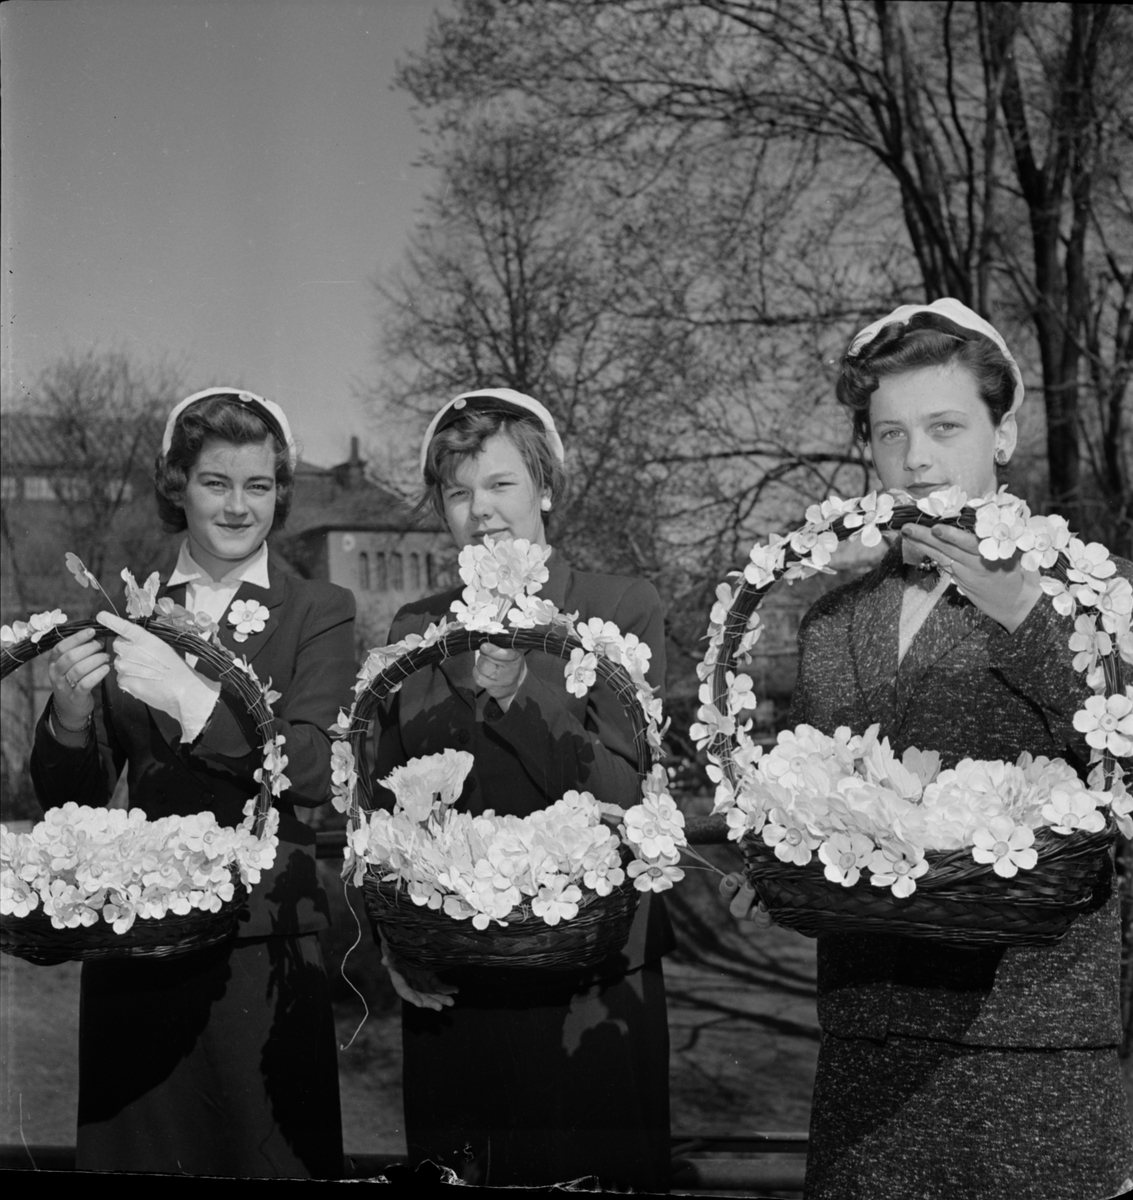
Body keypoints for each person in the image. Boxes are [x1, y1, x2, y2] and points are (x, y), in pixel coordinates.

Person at [722, 299, 1133, 1200]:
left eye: (945, 427)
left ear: (1003, 434)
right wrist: (775, 851)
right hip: (867, 1044)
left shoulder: (1091, 602)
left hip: (1031, 1048)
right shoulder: (832, 622)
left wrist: (1024, 615)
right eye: (889, 433)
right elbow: (827, 800)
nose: (914, 458)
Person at [31, 388, 355, 1178]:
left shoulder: (320, 609)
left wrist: (190, 698)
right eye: (216, 482)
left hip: (267, 944)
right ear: (177, 485)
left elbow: (312, 764)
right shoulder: (126, 611)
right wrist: (70, 715)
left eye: (259, 485)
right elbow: (71, 791)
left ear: (281, 491)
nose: (239, 507)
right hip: (138, 942)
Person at [371, 388, 674, 1190]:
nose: (482, 511)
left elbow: (633, 793)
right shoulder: (417, 626)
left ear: (544, 490)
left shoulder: (618, 605)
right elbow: (386, 809)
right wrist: (393, 944)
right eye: (459, 492)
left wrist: (520, 692)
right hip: (453, 980)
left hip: (590, 977)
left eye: (501, 485)